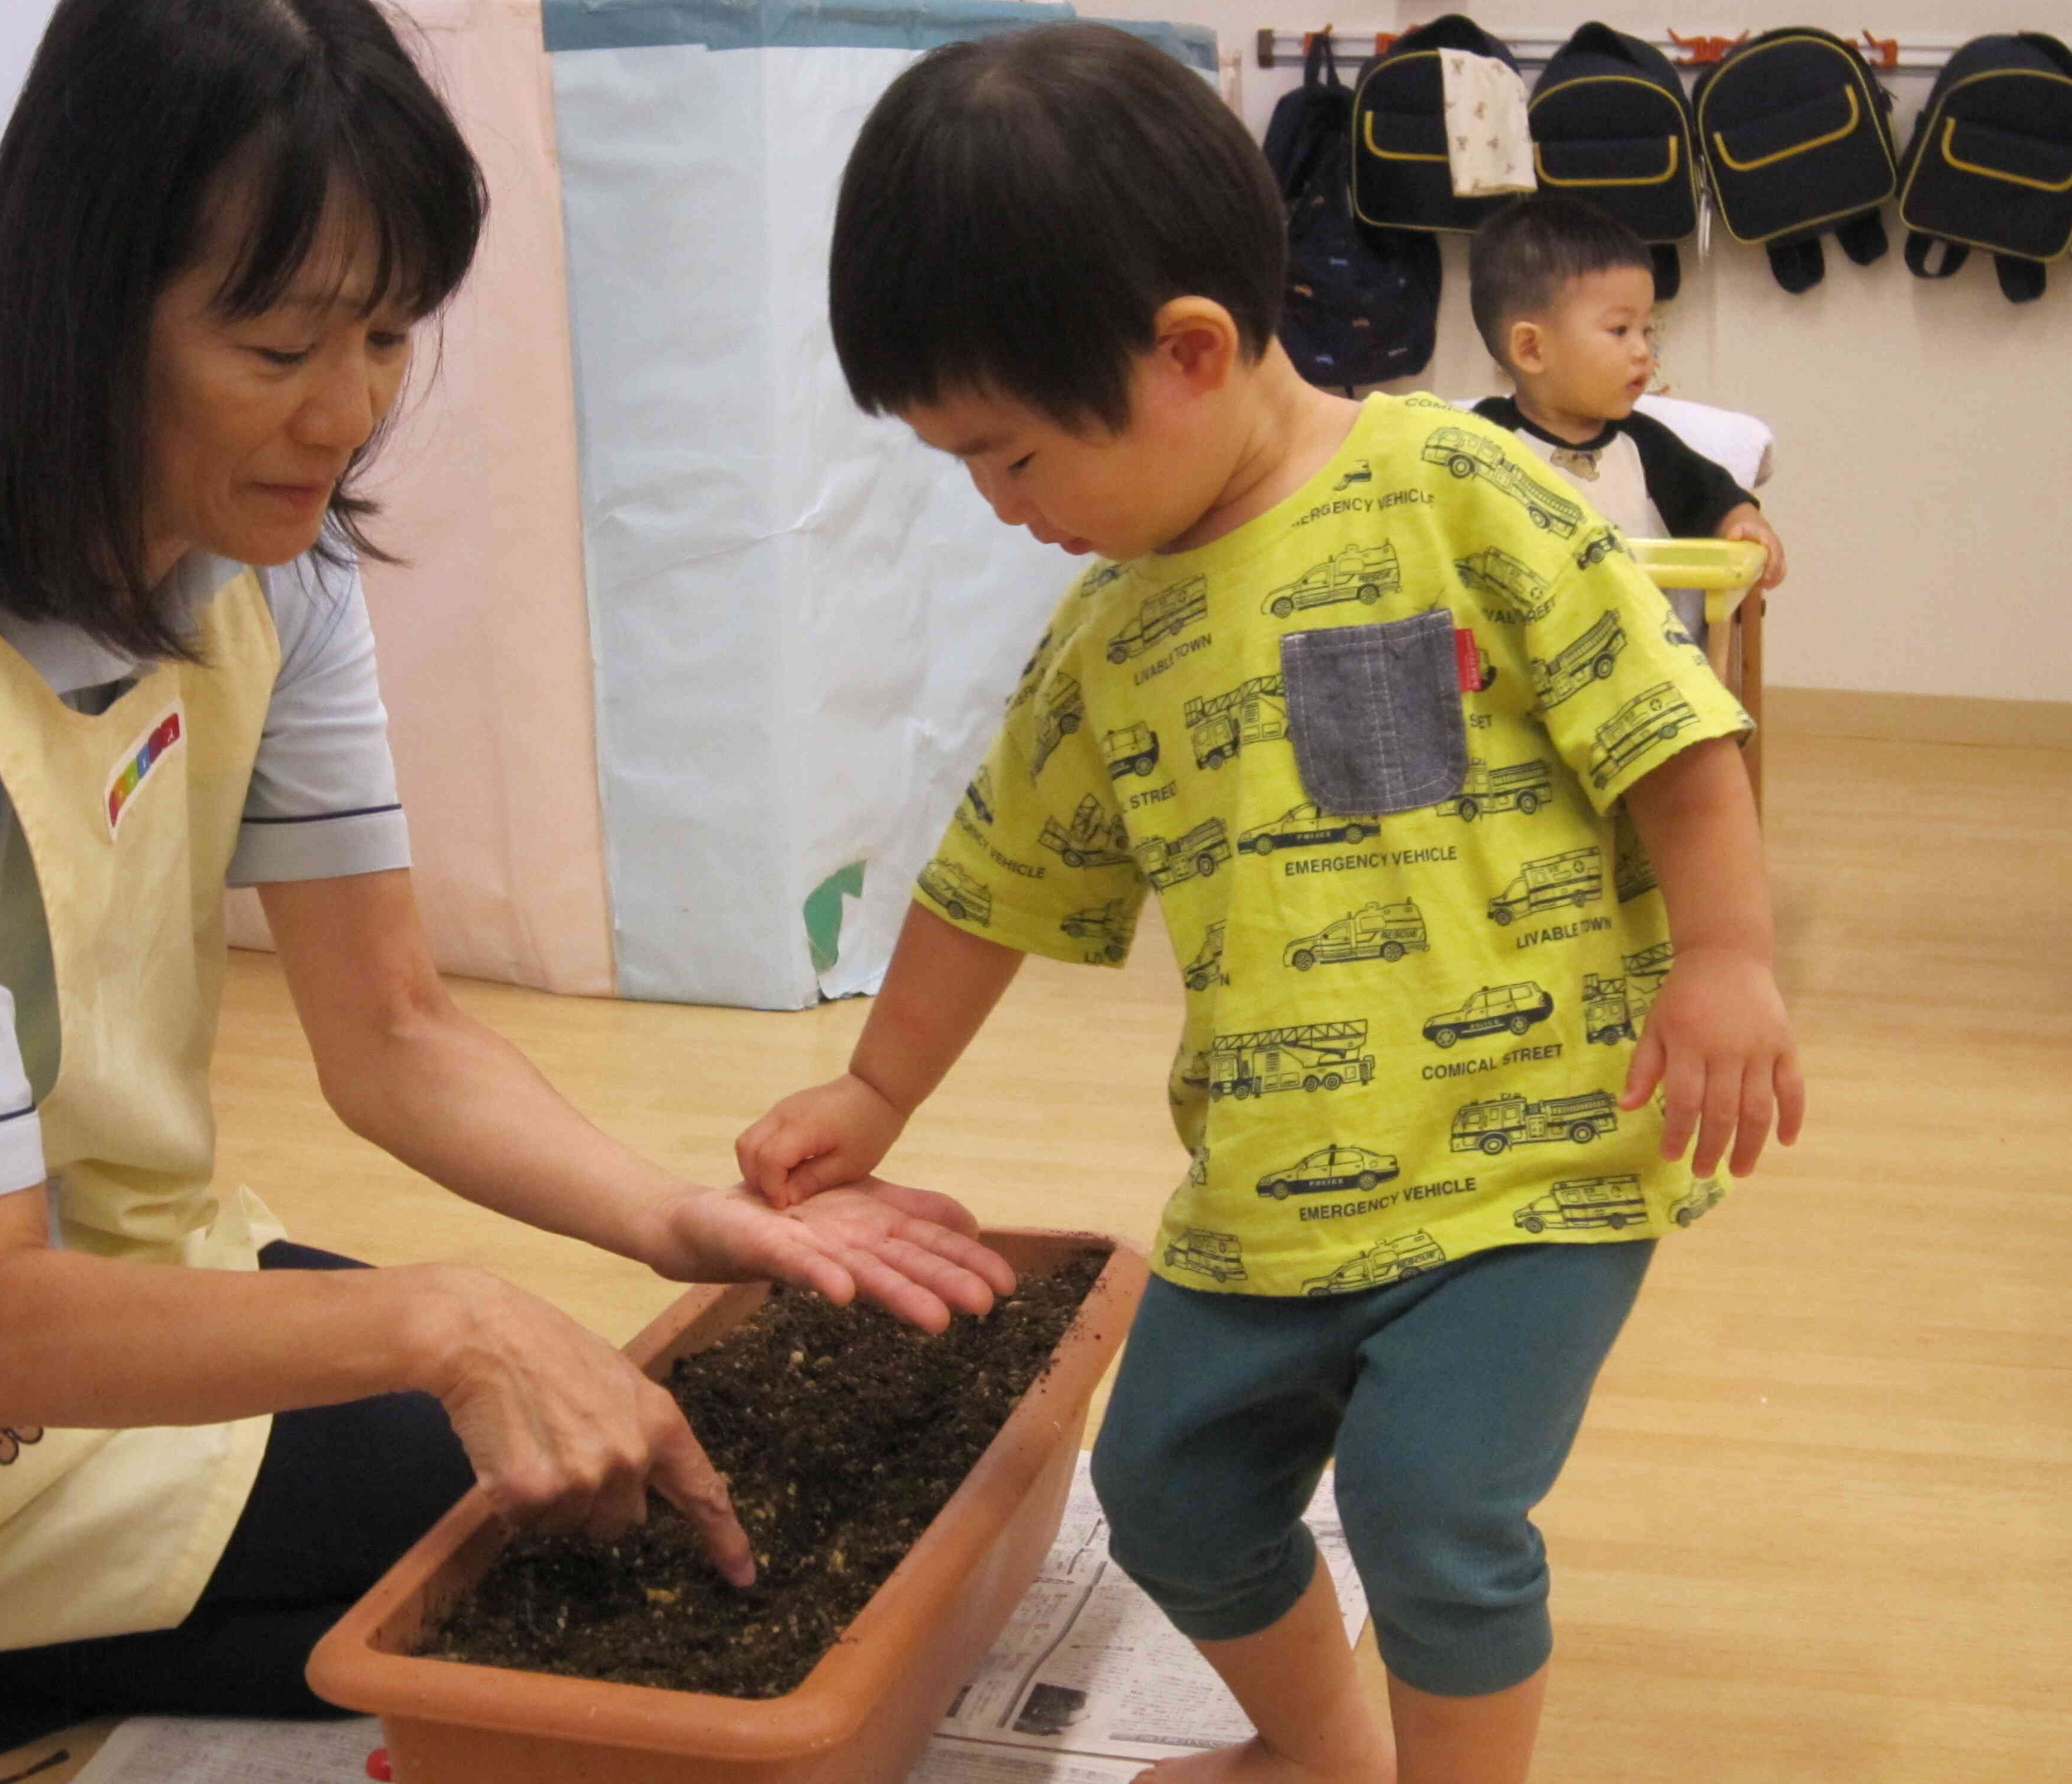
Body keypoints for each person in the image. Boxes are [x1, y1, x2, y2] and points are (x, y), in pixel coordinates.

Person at [0, 0, 1014, 1750]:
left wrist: (687, 1220)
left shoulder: (256, 564)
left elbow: (395, 1031)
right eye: (285, 345)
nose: (350, 412)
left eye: (385, 337)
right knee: (554, 1585)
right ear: (76, 305)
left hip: (146, 1277)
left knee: (605, 1482)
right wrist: (449, 1317)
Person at [737, 24, 1803, 1784]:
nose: (1001, 511)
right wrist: (873, 1090)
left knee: (1430, 1505)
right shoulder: (1104, 641)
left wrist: (1730, 957)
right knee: (1164, 1488)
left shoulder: (1462, 493)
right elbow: (985, 882)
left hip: (1535, 1157)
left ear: (1187, 354)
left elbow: (1667, 729)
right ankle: (1324, 1756)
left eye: (1008, 458)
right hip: (1271, 1183)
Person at [1466, 194, 1787, 646]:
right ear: (1532, 350)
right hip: (1517, 672)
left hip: (1644, 667)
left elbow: (1714, 499)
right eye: (1620, 330)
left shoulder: (1646, 445)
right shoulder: (1478, 443)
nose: (1643, 351)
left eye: (1646, 330)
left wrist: (1745, 524)